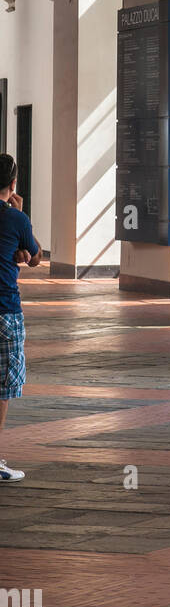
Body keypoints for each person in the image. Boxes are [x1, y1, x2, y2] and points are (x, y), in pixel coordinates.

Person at [0, 153, 41, 481]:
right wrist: (20, 215)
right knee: (2, 388)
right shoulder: (15, 218)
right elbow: (36, 257)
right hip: (4, 312)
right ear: (13, 184)